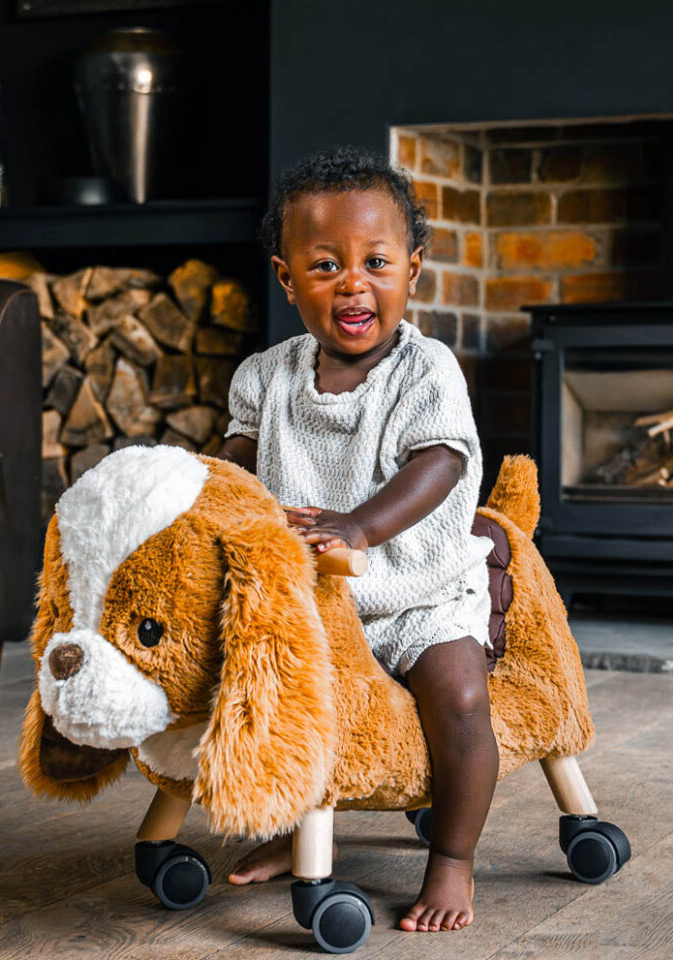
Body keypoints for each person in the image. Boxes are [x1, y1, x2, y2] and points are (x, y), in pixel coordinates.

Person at [214, 145, 499, 934]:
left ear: (412, 269)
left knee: (462, 697)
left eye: (376, 261)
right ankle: (295, 829)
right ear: (286, 278)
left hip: (415, 584)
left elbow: (439, 462)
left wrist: (360, 526)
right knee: (272, 698)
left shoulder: (428, 369)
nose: (353, 282)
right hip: (309, 595)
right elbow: (236, 462)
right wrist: (209, 488)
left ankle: (452, 855)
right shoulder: (266, 377)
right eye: (325, 264)